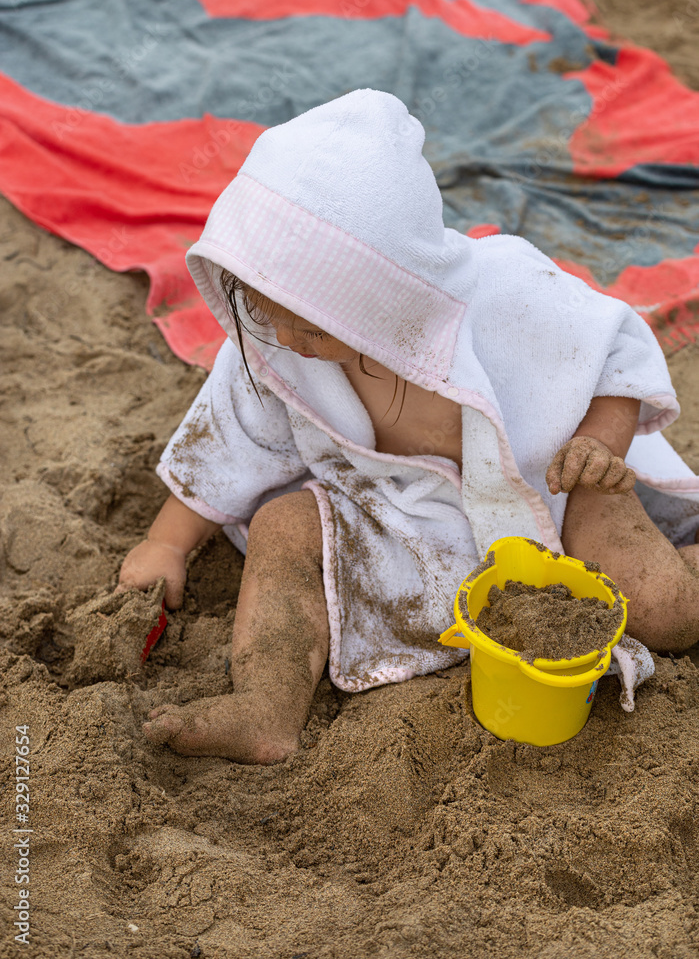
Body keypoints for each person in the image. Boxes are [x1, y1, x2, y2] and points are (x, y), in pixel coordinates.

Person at [117, 89, 699, 763]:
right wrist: (168, 544)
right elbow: (229, 438)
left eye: (310, 323)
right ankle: (265, 705)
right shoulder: (275, 344)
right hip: (402, 515)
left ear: (383, 292)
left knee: (663, 611)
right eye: (262, 310)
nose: (284, 338)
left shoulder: (508, 290)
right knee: (282, 526)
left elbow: (614, 356)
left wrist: (596, 446)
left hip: (557, 490)